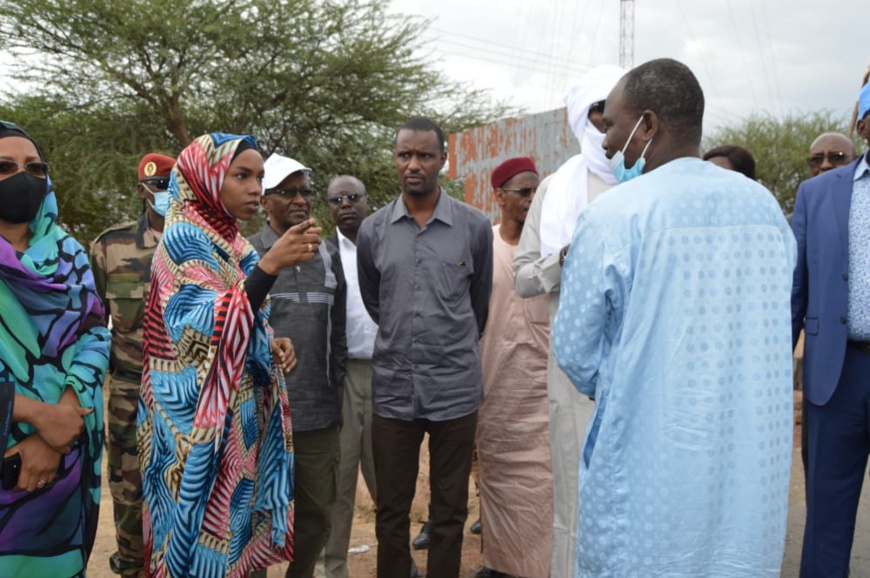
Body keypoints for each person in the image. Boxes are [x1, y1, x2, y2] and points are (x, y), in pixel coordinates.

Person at [552, 58, 795, 577]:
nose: (607, 141)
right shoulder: (766, 210)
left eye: (612, 125)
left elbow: (574, 349)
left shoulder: (614, 216)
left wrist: (631, 381)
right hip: (746, 458)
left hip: (647, 459)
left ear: (649, 124)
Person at [140, 133, 321, 577]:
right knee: (197, 553)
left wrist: (269, 340)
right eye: (241, 176)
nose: (255, 188)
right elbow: (200, 327)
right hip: (192, 433)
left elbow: (243, 315)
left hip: (235, 427)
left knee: (231, 552)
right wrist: (270, 267)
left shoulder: (233, 244)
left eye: (259, 177)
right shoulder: (183, 240)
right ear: (207, 178)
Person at [357, 117, 493, 578]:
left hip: (454, 390)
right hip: (394, 390)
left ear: (442, 160)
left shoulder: (474, 228)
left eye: (424, 155)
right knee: (391, 510)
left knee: (450, 509)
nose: (413, 164)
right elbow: (378, 303)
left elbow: (478, 309)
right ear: (395, 159)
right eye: (404, 155)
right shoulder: (373, 230)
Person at [512, 63, 624, 577]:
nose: (609, 124)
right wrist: (568, 258)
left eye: (619, 111)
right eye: (601, 112)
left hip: (641, 360)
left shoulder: (652, 180)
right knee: (575, 493)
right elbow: (524, 277)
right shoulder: (556, 189)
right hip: (573, 368)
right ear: (587, 118)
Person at [0, 120, 110, 576]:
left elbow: (95, 333)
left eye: (35, 167)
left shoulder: (68, 252)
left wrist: (63, 418)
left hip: (67, 447)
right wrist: (37, 417)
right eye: (4, 167)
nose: (23, 177)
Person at [248, 154, 347, 578]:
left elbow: (338, 331)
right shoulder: (247, 253)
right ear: (266, 200)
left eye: (306, 191)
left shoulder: (328, 253)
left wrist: (337, 391)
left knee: (317, 517)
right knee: (254, 521)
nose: (300, 200)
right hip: (259, 413)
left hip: (316, 412)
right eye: (288, 192)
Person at [793, 82, 870, 578]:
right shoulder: (816, 193)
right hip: (836, 374)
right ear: (862, 126)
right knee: (827, 512)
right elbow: (795, 289)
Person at [90, 151, 175, 578]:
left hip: (187, 399)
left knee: (186, 497)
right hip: (129, 395)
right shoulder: (110, 246)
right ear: (143, 190)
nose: (167, 194)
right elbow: (90, 323)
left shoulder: (205, 243)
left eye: (173, 185)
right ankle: (132, 567)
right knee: (130, 497)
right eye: (159, 186)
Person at [475, 157, 551, 578]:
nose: (532, 199)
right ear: (499, 196)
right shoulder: (482, 246)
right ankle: (501, 563)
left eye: (537, 191)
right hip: (496, 386)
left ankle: (544, 566)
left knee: (545, 483)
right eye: (524, 192)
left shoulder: (552, 247)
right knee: (500, 481)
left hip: (543, 388)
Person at [316, 175, 377, 578]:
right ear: (330, 208)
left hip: (388, 373)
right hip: (342, 377)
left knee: (389, 478)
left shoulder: (387, 243)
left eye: (353, 197)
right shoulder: (320, 253)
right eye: (337, 200)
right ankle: (330, 568)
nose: (346, 204)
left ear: (368, 201)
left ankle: (398, 562)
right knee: (338, 483)